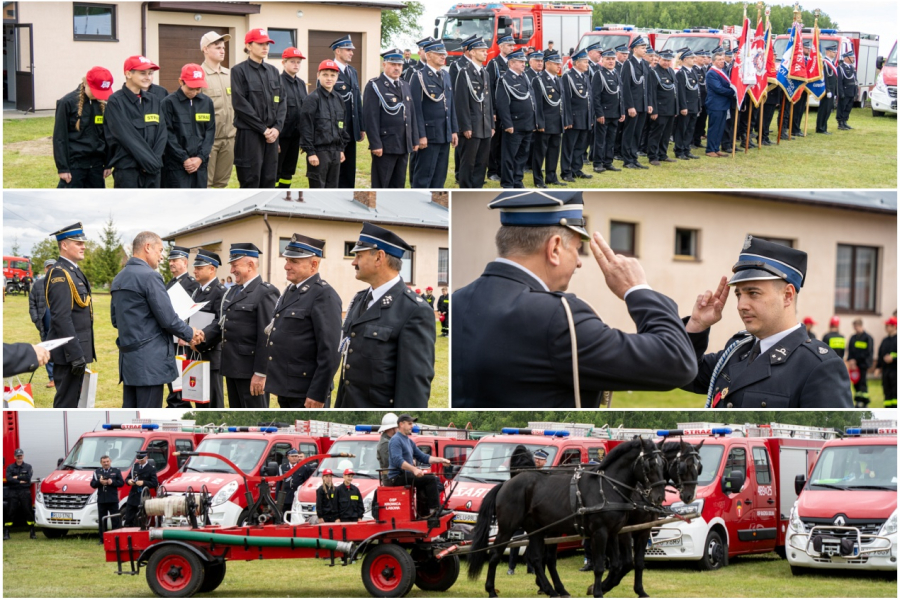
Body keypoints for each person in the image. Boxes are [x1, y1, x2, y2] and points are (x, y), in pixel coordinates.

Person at [452, 192, 697, 408]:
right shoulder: (559, 318)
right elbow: (676, 361)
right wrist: (637, 289)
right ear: (555, 248)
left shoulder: (458, 301)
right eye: (577, 249)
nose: (579, 262)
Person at [684, 235, 853, 408]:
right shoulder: (737, 350)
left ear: (787, 295)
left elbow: (832, 426)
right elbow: (685, 374)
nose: (741, 305)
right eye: (738, 294)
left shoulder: (818, 366)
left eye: (753, 293)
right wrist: (697, 325)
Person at [334, 223, 436, 409]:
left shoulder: (414, 310)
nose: (354, 262)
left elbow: (413, 384)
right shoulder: (359, 299)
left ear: (379, 257)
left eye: (359, 256)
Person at [110, 232, 203, 409]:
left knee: (131, 414)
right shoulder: (150, 276)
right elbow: (168, 319)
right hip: (150, 362)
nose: (162, 257)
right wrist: (191, 333)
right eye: (160, 250)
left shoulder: (119, 278)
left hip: (128, 361)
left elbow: (116, 320)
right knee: (147, 416)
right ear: (147, 247)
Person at [263, 234, 342, 408]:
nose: (286, 266)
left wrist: (318, 393)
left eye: (294, 261)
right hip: (287, 387)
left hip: (307, 391)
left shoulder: (324, 295)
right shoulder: (291, 291)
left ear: (313, 264)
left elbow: (330, 352)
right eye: (287, 260)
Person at [214, 243, 280, 407]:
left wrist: (261, 372)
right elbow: (223, 324)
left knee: (255, 414)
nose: (231, 270)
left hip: (251, 371)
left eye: (235, 265)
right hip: (232, 367)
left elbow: (267, 336)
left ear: (250, 265)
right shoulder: (233, 291)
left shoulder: (266, 292)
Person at [45, 223, 95, 407]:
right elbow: (61, 318)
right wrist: (75, 354)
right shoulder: (59, 273)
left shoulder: (73, 270)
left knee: (75, 402)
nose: (84, 246)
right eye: (78, 243)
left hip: (75, 350)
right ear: (64, 245)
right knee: (66, 403)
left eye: (83, 243)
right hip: (69, 354)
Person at [231, 28, 286, 187]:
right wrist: (263, 129)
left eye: (267, 44)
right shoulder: (239, 71)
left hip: (272, 136)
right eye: (260, 44)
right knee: (250, 180)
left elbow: (282, 101)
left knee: (269, 179)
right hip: (250, 135)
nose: (265, 47)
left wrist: (277, 128)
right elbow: (240, 104)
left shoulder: (273, 71)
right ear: (248, 46)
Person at [105, 56, 167, 188]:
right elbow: (126, 136)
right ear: (128, 74)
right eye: (143, 73)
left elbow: (161, 133)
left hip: (153, 169)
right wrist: (148, 162)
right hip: (128, 169)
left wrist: (154, 162)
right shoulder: (116, 101)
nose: (148, 77)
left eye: (150, 73)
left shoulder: (154, 100)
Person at [363, 49, 419, 188]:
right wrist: (375, 143)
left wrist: (414, 139)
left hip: (403, 143)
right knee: (382, 184)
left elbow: (411, 114)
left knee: (399, 184)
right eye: (393, 64)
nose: (397, 68)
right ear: (384, 64)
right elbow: (370, 118)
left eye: (399, 65)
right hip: (386, 144)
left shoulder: (405, 85)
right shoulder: (375, 85)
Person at [53, 67, 112, 188]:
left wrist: (107, 164)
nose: (98, 96)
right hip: (75, 166)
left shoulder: (104, 104)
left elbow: (107, 136)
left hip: (97, 166)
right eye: (96, 91)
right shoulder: (67, 103)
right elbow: (60, 137)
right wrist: (63, 168)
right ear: (86, 84)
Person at [410, 39, 458, 189]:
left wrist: (454, 130)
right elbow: (415, 109)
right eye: (439, 54)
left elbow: (450, 105)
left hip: (444, 133)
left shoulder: (446, 75)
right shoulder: (419, 76)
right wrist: (420, 135)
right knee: (424, 176)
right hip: (429, 134)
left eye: (444, 54)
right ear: (429, 55)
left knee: (439, 176)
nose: (443, 56)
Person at [160, 64, 215, 188]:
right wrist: (184, 158)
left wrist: (201, 157)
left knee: (199, 198)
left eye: (198, 89)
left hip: (200, 164)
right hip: (176, 165)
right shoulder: (168, 103)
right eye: (191, 88)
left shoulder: (207, 102)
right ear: (181, 82)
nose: (194, 92)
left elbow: (210, 131)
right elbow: (167, 134)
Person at [387, 414, 451, 518]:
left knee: (428, 479)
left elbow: (423, 457)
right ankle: (435, 510)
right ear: (401, 424)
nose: (412, 426)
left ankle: (423, 514)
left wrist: (441, 460)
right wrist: (414, 469)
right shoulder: (395, 440)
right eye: (409, 424)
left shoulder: (409, 441)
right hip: (397, 477)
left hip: (406, 475)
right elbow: (398, 460)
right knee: (431, 479)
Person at [299, 60, 349, 188]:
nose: (329, 78)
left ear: (337, 77)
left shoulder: (339, 99)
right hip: (319, 152)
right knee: (318, 189)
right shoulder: (312, 99)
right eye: (325, 75)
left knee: (333, 189)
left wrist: (341, 149)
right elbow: (305, 127)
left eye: (332, 75)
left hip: (335, 152)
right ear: (318, 75)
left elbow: (342, 126)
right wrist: (311, 152)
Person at [188, 249, 227, 408]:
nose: (194, 271)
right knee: (199, 400)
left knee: (213, 403)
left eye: (199, 268)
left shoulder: (221, 292)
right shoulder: (196, 292)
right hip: (194, 350)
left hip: (210, 352)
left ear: (212, 269)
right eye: (195, 268)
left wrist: (201, 339)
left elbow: (220, 322)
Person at [454, 35, 494, 189]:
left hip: (484, 126)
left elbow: (488, 101)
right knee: (468, 162)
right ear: (471, 52)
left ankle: (477, 187)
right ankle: (465, 188)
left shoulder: (485, 73)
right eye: (482, 51)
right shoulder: (464, 72)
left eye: (485, 51)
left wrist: (491, 124)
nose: (485, 53)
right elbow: (461, 102)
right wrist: (465, 126)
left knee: (482, 162)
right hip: (472, 125)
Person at [163, 246, 200, 408]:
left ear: (185, 262)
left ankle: (179, 406)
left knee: (181, 380)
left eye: (174, 260)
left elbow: (194, 311)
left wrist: (186, 333)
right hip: (169, 336)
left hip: (182, 339)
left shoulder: (192, 284)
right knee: (172, 376)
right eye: (170, 260)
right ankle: (174, 403)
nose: (171, 263)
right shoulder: (170, 283)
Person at [495, 48, 536, 188]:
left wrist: (534, 121)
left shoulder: (524, 77)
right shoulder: (505, 79)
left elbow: (532, 100)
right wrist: (507, 124)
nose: (524, 64)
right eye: (520, 61)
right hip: (515, 124)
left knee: (522, 155)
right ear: (511, 63)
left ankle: (517, 180)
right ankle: (507, 182)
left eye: (524, 61)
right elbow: (502, 104)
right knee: (509, 156)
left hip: (527, 123)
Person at [200, 32, 236, 188]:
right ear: (205, 49)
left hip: (230, 139)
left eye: (223, 48)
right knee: (205, 183)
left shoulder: (230, 74)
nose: (222, 51)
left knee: (222, 183)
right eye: (217, 47)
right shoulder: (199, 75)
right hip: (209, 141)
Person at [330, 35, 366, 188]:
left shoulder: (352, 71)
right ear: (338, 51)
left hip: (351, 128)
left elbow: (357, 101)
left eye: (352, 50)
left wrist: (361, 126)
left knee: (349, 169)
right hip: (336, 129)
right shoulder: (329, 70)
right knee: (336, 170)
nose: (352, 53)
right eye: (348, 50)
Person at [532, 50, 569, 187]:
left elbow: (563, 103)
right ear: (547, 64)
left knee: (554, 151)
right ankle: (538, 179)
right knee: (539, 152)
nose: (559, 66)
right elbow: (537, 104)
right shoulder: (539, 80)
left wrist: (564, 120)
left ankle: (551, 176)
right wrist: (539, 123)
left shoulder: (558, 80)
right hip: (545, 122)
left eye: (559, 63)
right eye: (556, 63)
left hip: (557, 122)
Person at [276, 47, 308, 188]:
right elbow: (274, 110)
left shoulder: (301, 84)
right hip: (281, 136)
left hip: (296, 137)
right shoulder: (277, 82)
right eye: (292, 61)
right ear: (284, 63)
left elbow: (304, 111)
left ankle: (284, 193)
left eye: (298, 62)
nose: (296, 65)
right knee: (276, 170)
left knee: (288, 171)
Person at [487, 35, 516, 182]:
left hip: (510, 110)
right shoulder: (494, 64)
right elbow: (490, 89)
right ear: (501, 46)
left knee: (506, 142)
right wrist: (492, 111)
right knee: (495, 142)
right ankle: (492, 170)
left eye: (512, 45)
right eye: (509, 45)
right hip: (498, 110)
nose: (512, 48)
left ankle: (502, 169)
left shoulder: (513, 63)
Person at [560, 48, 593, 181]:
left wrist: (590, 117)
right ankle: (566, 172)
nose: (587, 64)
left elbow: (589, 99)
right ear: (577, 63)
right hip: (573, 118)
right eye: (585, 62)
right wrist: (567, 119)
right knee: (569, 146)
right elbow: (566, 100)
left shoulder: (585, 76)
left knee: (580, 146)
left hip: (584, 117)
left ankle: (576, 169)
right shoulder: (568, 77)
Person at [590, 49, 623, 174]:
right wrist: (599, 113)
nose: (611, 61)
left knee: (611, 139)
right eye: (608, 59)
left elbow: (620, 94)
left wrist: (622, 111)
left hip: (615, 112)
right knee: (600, 140)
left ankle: (608, 162)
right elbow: (595, 96)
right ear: (602, 60)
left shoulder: (616, 73)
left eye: (613, 59)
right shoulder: (599, 74)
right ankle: (598, 163)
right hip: (604, 113)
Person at [647, 49, 677, 166]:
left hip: (670, 108)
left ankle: (662, 154)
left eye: (668, 60)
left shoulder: (671, 71)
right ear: (659, 59)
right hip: (660, 108)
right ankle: (653, 156)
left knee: (666, 134)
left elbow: (675, 91)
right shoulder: (654, 72)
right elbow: (652, 92)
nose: (666, 62)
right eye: (664, 60)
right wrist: (654, 110)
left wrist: (676, 108)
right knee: (656, 133)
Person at [28, 260, 56, 388]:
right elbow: (32, 303)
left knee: (62, 349)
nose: (50, 269)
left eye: (53, 267)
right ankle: (52, 378)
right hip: (44, 323)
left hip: (60, 322)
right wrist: (36, 319)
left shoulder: (62, 282)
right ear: (45, 269)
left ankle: (63, 377)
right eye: (48, 267)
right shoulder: (38, 284)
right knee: (47, 349)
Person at [703, 50, 734, 157]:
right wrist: (733, 92)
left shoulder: (722, 71)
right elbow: (718, 89)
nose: (722, 61)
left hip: (723, 104)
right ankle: (710, 149)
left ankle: (716, 148)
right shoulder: (712, 73)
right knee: (714, 127)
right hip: (715, 104)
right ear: (713, 61)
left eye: (723, 59)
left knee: (720, 127)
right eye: (719, 59)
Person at [674, 48, 701, 160]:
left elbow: (697, 91)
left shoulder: (693, 71)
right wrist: (683, 106)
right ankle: (679, 150)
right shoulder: (681, 73)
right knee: (682, 129)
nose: (694, 59)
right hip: (686, 106)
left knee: (690, 129)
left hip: (694, 105)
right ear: (685, 59)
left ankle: (686, 149)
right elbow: (681, 91)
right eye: (691, 58)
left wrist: (698, 106)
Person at [91, 455, 124, 542]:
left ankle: (116, 538)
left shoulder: (116, 471)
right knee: (102, 520)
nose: (106, 463)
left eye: (107, 461)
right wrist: (100, 482)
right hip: (102, 500)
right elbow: (92, 484)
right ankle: (102, 539)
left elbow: (121, 483)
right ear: (101, 463)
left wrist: (112, 482)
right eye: (104, 462)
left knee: (115, 520)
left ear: (110, 461)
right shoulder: (97, 472)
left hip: (112, 500)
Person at [3, 449, 35, 540]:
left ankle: (32, 532)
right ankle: (6, 533)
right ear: (14, 457)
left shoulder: (28, 467)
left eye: (20, 455)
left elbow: (28, 478)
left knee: (28, 511)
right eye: (18, 456)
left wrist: (16, 477)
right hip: (13, 491)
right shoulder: (10, 467)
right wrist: (20, 481)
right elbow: (9, 479)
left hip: (25, 491)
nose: (19, 457)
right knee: (10, 512)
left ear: (23, 456)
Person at [123, 450, 158, 527]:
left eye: (141, 460)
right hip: (133, 496)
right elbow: (127, 479)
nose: (139, 461)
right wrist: (129, 481)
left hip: (143, 497)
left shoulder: (151, 469)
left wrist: (143, 482)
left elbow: (154, 483)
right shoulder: (134, 467)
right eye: (138, 459)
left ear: (146, 458)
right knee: (129, 518)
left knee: (141, 519)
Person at [277, 449, 314, 515]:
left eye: (296, 456)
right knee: (284, 515)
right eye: (292, 456)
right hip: (286, 497)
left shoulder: (303, 468)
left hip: (297, 497)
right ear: (288, 457)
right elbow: (278, 484)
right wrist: (277, 498)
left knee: (296, 515)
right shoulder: (282, 467)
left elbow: (306, 484)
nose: (294, 458)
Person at [847, 319, 875, 408]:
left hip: (863, 365)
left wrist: (857, 360)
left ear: (860, 326)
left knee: (862, 383)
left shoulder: (868, 338)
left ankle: (864, 402)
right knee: (855, 384)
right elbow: (850, 350)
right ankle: (858, 401)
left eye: (856, 326)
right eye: (854, 327)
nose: (855, 329)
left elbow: (868, 352)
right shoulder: (853, 338)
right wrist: (851, 360)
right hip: (854, 366)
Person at [816, 47, 839, 135]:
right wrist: (828, 90)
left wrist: (835, 91)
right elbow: (825, 78)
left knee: (828, 110)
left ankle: (824, 127)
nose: (835, 53)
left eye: (835, 52)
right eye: (833, 52)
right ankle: (820, 128)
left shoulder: (831, 63)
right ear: (828, 52)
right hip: (826, 90)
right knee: (824, 110)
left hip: (832, 90)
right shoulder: (825, 63)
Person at [877, 317, 897, 408]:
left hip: (896, 371)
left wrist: (893, 358)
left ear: (894, 326)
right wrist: (878, 367)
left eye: (888, 326)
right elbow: (880, 354)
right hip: (886, 372)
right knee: (887, 394)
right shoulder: (885, 340)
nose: (886, 327)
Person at [692, 50, 710, 149]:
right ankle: (691, 141)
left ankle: (697, 140)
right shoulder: (694, 69)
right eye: (702, 57)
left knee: (702, 122)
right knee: (694, 122)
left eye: (705, 57)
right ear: (696, 58)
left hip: (704, 100)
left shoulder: (703, 69)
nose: (704, 59)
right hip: (697, 100)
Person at [837, 50, 858, 130]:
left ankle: (845, 121)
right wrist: (841, 92)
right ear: (846, 58)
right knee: (842, 107)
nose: (853, 59)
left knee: (848, 107)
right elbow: (839, 81)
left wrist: (856, 91)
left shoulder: (852, 68)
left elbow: (855, 80)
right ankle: (840, 123)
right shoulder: (841, 68)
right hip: (845, 91)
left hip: (851, 91)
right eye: (851, 57)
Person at [376, 413, 399, 485]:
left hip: (394, 477)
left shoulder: (390, 441)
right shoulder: (385, 444)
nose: (398, 429)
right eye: (397, 427)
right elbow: (389, 463)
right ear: (392, 429)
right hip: (390, 479)